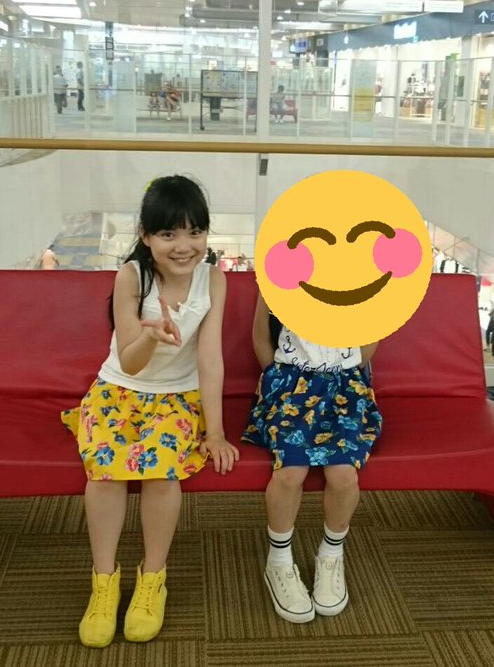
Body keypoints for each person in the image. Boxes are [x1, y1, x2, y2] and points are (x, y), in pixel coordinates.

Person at [60, 175, 239, 648]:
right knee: (106, 472)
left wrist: (216, 432)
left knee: (161, 472)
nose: (184, 246)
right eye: (168, 233)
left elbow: (210, 358)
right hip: (119, 389)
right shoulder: (131, 277)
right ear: (146, 236)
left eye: (195, 232)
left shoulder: (213, 279)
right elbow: (129, 361)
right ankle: (104, 582)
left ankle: (151, 579)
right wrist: (151, 336)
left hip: (177, 397)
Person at [241, 295, 382, 623]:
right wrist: (276, 378)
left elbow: (368, 344)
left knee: (343, 474)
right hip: (290, 383)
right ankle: (279, 561)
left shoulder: (362, 286)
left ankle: (331, 555)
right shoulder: (278, 282)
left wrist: (343, 373)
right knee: (290, 471)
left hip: (345, 386)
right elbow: (260, 334)